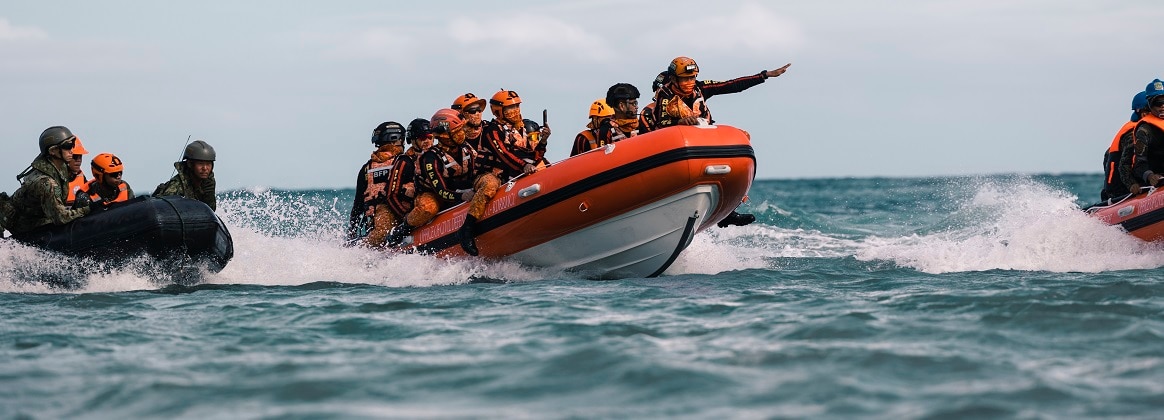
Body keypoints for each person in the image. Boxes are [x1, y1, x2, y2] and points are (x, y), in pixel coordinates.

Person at [386, 109, 502, 255]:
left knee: (490, 182)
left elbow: (477, 171)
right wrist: (462, 196)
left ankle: (467, 228)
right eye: (458, 130)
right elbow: (440, 190)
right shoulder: (431, 158)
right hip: (437, 194)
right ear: (444, 135)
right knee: (428, 207)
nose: (463, 133)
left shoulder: (467, 148)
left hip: (466, 187)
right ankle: (404, 227)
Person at [646, 56, 791, 130]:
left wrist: (764, 75)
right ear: (673, 79)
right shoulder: (665, 95)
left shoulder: (700, 88)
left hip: (702, 134)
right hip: (676, 140)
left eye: (692, 77)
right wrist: (680, 122)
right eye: (685, 79)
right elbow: (661, 124)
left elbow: (732, 85)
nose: (689, 82)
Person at [5, 126, 93, 237]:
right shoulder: (46, 183)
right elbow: (60, 218)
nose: (72, 150)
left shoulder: (60, 166)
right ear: (53, 151)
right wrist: (87, 210)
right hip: (22, 226)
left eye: (73, 144)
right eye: (68, 146)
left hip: (39, 217)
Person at [347, 121, 407, 247]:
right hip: (399, 220)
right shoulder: (403, 162)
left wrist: (351, 233)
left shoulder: (366, 168)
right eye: (402, 140)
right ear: (396, 140)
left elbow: (357, 206)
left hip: (374, 224)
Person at [480, 89, 551, 181]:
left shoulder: (523, 128)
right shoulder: (493, 130)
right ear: (498, 110)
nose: (515, 110)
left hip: (527, 167)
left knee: (544, 164)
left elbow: (536, 156)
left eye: (517, 106)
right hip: (505, 173)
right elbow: (503, 153)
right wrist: (523, 165)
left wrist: (543, 141)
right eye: (510, 107)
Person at [381, 118, 433, 240]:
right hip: (413, 210)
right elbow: (391, 194)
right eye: (422, 138)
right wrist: (407, 219)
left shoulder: (436, 156)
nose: (427, 141)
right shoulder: (405, 162)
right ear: (412, 140)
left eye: (430, 137)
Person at [1103, 91, 1149, 201]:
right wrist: (1131, 184)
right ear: (1144, 113)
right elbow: (1123, 164)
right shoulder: (1132, 134)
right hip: (1123, 191)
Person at [153, 140, 217, 210]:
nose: (205, 168)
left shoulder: (208, 182)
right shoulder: (176, 186)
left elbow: (210, 210)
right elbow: (164, 211)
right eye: (200, 164)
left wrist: (209, 195)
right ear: (190, 164)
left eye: (208, 164)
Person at [65, 138, 90, 207]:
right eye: (75, 157)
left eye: (80, 157)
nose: (78, 160)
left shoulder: (81, 177)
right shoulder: (52, 180)